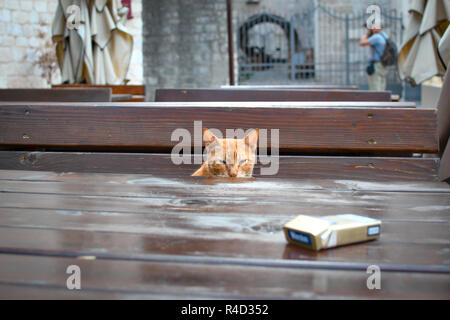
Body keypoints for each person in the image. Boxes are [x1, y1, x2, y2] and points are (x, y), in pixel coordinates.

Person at [360, 24, 389, 91]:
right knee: (382, 88)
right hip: (383, 64)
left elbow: (362, 43)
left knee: (375, 89)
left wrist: (367, 33)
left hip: (376, 65)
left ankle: (377, 101)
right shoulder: (385, 36)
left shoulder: (376, 37)